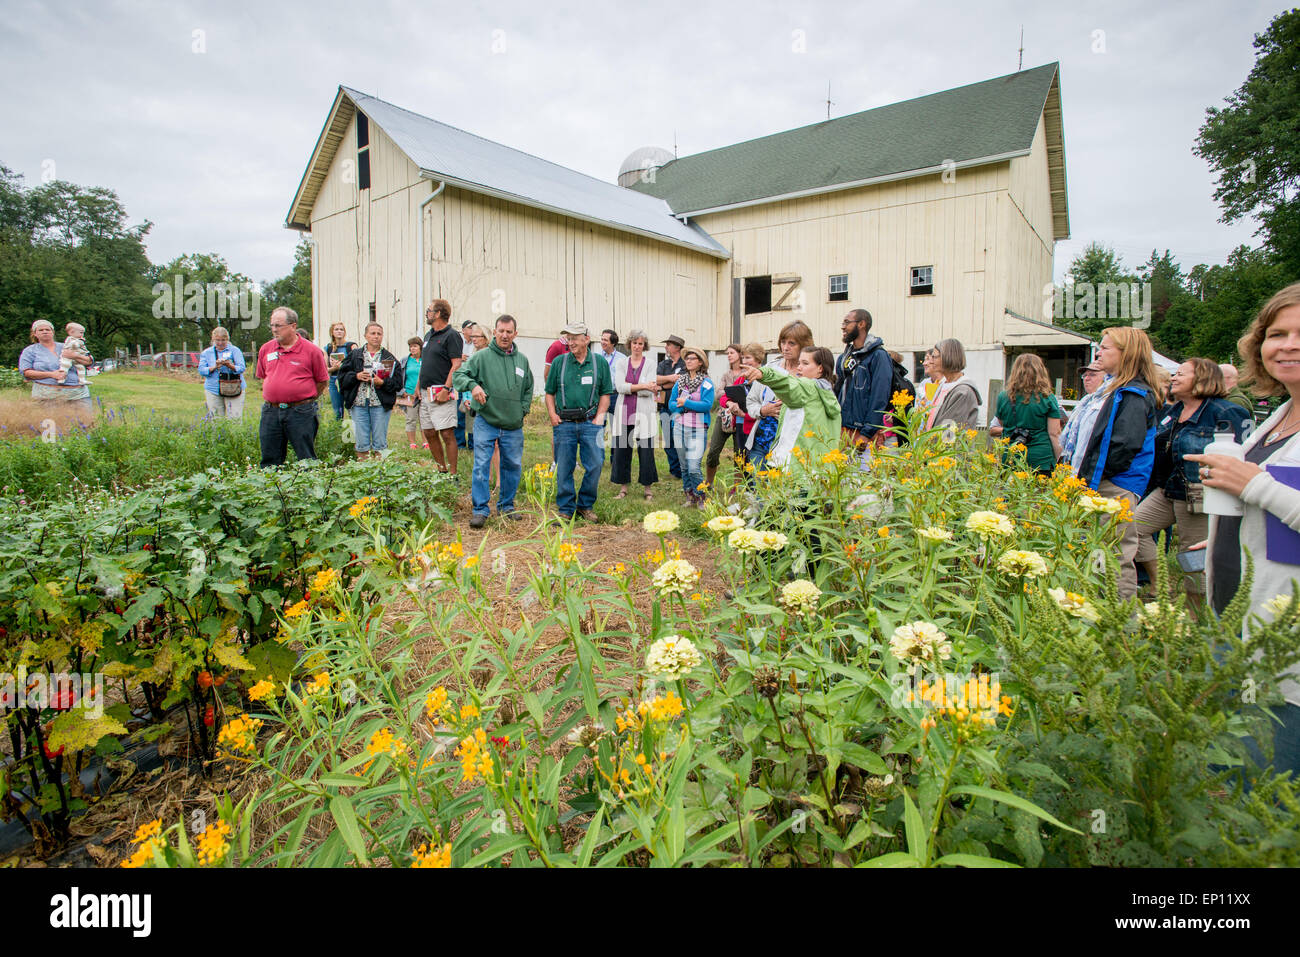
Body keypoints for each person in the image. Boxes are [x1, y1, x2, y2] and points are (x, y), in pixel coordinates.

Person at [1188, 282, 1300, 777]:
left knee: (1266, 780)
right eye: (1278, 333)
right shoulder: (1278, 417)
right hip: (1234, 614)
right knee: (1229, 757)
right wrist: (1232, 533)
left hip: (1283, 641)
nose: (1289, 345)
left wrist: (1254, 486)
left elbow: (1266, 490)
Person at [1135, 358, 1249, 597]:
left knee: (1192, 554)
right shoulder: (1174, 410)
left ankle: (1196, 609)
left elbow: (1245, 456)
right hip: (1169, 488)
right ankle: (1160, 582)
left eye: (1181, 374)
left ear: (1202, 379)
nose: (1174, 378)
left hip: (1199, 494)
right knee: (1131, 527)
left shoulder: (1227, 412)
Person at [1075, 326, 1159, 600]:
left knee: (1116, 553)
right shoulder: (1118, 389)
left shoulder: (1133, 394)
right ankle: (1101, 605)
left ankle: (1122, 621)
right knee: (1101, 551)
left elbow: (1124, 446)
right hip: (1105, 481)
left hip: (1115, 485)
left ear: (1127, 353)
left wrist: (1101, 475)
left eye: (1106, 347)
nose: (1099, 352)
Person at [454, 315, 534, 528]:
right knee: (481, 465)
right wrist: (473, 386)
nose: (505, 335)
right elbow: (459, 376)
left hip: (513, 425)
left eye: (509, 332)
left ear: (515, 334)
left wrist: (522, 410)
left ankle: (507, 506)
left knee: (512, 466)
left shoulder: (522, 360)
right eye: (501, 331)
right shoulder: (482, 357)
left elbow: (528, 388)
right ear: (495, 332)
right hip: (486, 421)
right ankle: (480, 510)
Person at [738, 345, 841, 481]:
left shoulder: (808, 387)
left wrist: (764, 374)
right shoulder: (827, 392)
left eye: (805, 363)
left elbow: (787, 383)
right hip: (819, 471)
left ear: (820, 369)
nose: (799, 367)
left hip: (796, 471)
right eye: (799, 363)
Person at [545, 324, 614, 522]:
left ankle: (584, 505)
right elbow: (549, 393)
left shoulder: (599, 362)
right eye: (568, 338)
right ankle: (566, 508)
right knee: (564, 467)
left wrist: (599, 416)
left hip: (589, 423)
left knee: (595, 465)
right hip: (564, 423)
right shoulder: (559, 362)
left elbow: (605, 393)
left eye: (575, 338)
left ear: (586, 339)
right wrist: (552, 415)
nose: (571, 342)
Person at [255, 307, 329, 467]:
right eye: (272, 325)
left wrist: (304, 398)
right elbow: (263, 376)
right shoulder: (266, 349)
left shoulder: (312, 351)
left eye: (278, 326)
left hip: (300, 412)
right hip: (271, 412)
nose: (274, 330)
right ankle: (272, 490)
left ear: (293, 326)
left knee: (306, 458)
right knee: (269, 458)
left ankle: (309, 489)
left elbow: (322, 381)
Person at [989, 354, 1062, 473]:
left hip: (1011, 458)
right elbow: (1054, 433)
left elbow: (1003, 424)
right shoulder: (1047, 398)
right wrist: (1060, 460)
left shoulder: (1004, 397)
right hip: (1041, 459)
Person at [609, 329, 660, 501]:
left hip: (644, 413)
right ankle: (623, 488)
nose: (637, 346)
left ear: (644, 346)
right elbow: (620, 387)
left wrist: (635, 387)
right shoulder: (622, 363)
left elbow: (649, 392)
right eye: (634, 343)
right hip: (624, 412)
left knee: (646, 451)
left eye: (640, 343)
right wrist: (643, 385)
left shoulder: (651, 363)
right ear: (629, 344)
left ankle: (648, 489)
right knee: (622, 450)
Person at [338, 322, 401, 460]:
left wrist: (382, 382)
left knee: (379, 442)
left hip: (380, 404)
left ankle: (378, 475)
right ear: (365, 335)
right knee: (361, 442)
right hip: (358, 403)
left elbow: (398, 383)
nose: (376, 336)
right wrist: (356, 376)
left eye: (379, 334)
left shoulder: (389, 358)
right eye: (373, 333)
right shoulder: (355, 355)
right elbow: (342, 377)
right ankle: (363, 473)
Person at [835, 309, 895, 451]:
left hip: (865, 433)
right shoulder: (844, 357)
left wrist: (867, 433)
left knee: (864, 472)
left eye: (847, 322)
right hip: (843, 429)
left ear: (861, 324)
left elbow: (879, 397)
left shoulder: (878, 356)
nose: (843, 326)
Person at [417, 299, 464, 476]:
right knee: (428, 432)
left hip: (442, 392)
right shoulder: (428, 336)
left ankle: (453, 473)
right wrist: (417, 387)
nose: (427, 313)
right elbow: (425, 364)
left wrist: (446, 388)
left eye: (429, 310)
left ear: (438, 314)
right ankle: (441, 469)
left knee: (446, 433)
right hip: (425, 392)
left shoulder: (451, 335)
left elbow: (457, 364)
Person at [669, 346, 717, 507]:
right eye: (687, 359)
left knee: (694, 467)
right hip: (679, 427)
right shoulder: (680, 381)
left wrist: (686, 402)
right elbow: (671, 403)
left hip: (697, 428)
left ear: (700, 362)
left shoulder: (706, 383)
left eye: (692, 359)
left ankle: (701, 495)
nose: (688, 361)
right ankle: (689, 496)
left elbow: (706, 405)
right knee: (683, 466)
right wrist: (681, 407)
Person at [19, 320, 93, 409]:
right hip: (46, 395)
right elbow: (26, 372)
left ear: (53, 332)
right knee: (51, 422)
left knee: (83, 422)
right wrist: (52, 374)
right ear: (35, 333)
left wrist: (74, 355)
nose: (45, 332)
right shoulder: (30, 351)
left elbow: (89, 361)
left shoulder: (67, 346)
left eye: (48, 329)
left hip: (78, 394)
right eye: (41, 330)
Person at [704, 345, 747, 489]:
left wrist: (729, 394)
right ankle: (709, 483)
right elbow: (718, 393)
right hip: (725, 417)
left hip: (741, 417)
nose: (729, 355)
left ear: (740, 354)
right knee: (713, 452)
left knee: (739, 456)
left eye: (732, 352)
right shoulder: (726, 374)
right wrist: (731, 399)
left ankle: (736, 488)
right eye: (727, 353)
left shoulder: (747, 373)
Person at [738, 342, 779, 470]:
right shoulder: (743, 378)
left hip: (777, 436)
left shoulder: (771, 373)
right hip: (759, 435)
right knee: (757, 476)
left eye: (748, 357)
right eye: (743, 358)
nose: (744, 361)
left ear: (758, 358)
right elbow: (750, 401)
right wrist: (762, 410)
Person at [1060, 360, 1107, 469]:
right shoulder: (1085, 401)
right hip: (1073, 462)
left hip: (1091, 464)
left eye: (1092, 375)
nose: (1086, 378)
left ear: (1106, 378)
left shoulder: (1107, 401)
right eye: (1084, 375)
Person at [925, 338, 981, 429]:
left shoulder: (963, 392)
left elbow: (949, 433)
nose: (931, 361)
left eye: (934, 357)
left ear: (947, 357)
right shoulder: (944, 384)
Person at [197, 326, 247, 419]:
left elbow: (241, 368)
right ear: (213, 339)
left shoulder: (235, 351)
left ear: (227, 339)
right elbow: (201, 370)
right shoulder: (206, 353)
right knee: (216, 419)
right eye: (217, 340)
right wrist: (214, 367)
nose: (220, 343)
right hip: (213, 389)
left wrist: (230, 365)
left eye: (223, 340)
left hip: (234, 388)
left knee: (234, 418)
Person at [656, 335, 688, 479]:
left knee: (680, 439)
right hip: (664, 406)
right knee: (668, 440)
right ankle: (675, 470)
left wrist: (662, 384)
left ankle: (684, 468)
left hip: (679, 408)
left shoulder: (685, 364)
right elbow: (654, 378)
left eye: (668, 344)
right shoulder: (664, 364)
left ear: (677, 347)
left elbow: (681, 382)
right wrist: (669, 380)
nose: (666, 347)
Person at [396, 337, 426, 450]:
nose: (412, 348)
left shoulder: (426, 360)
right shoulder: (405, 360)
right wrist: (402, 392)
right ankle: (412, 443)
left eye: (415, 346)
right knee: (411, 418)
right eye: (411, 346)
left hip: (423, 393)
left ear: (420, 347)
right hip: (409, 394)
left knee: (424, 419)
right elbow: (399, 376)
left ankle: (425, 442)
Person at [324, 323, 357, 420]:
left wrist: (343, 366)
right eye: (336, 329)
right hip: (334, 380)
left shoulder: (351, 346)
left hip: (349, 380)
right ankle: (338, 432)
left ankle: (354, 433)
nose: (339, 331)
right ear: (332, 332)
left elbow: (357, 364)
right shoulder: (328, 348)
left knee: (352, 409)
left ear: (344, 332)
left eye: (341, 329)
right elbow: (325, 369)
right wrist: (334, 368)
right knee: (337, 411)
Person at [455, 321, 478, 449]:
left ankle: (472, 443)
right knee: (459, 415)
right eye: (469, 328)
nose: (472, 331)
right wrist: (459, 357)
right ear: (463, 330)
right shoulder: (459, 344)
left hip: (471, 383)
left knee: (472, 414)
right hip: (459, 384)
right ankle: (460, 444)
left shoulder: (476, 345)